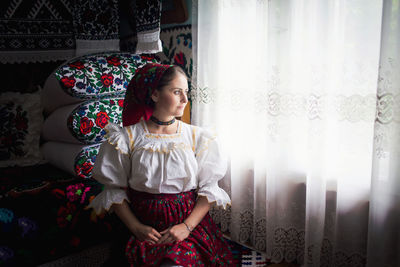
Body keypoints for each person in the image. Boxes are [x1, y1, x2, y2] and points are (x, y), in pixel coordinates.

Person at [88, 63, 234, 266]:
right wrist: (136, 227)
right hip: (143, 227)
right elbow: (113, 191)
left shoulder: (197, 137)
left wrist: (186, 227)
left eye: (186, 92)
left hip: (186, 227)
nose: (184, 99)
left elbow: (209, 190)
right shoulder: (126, 138)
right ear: (155, 95)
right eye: (176, 92)